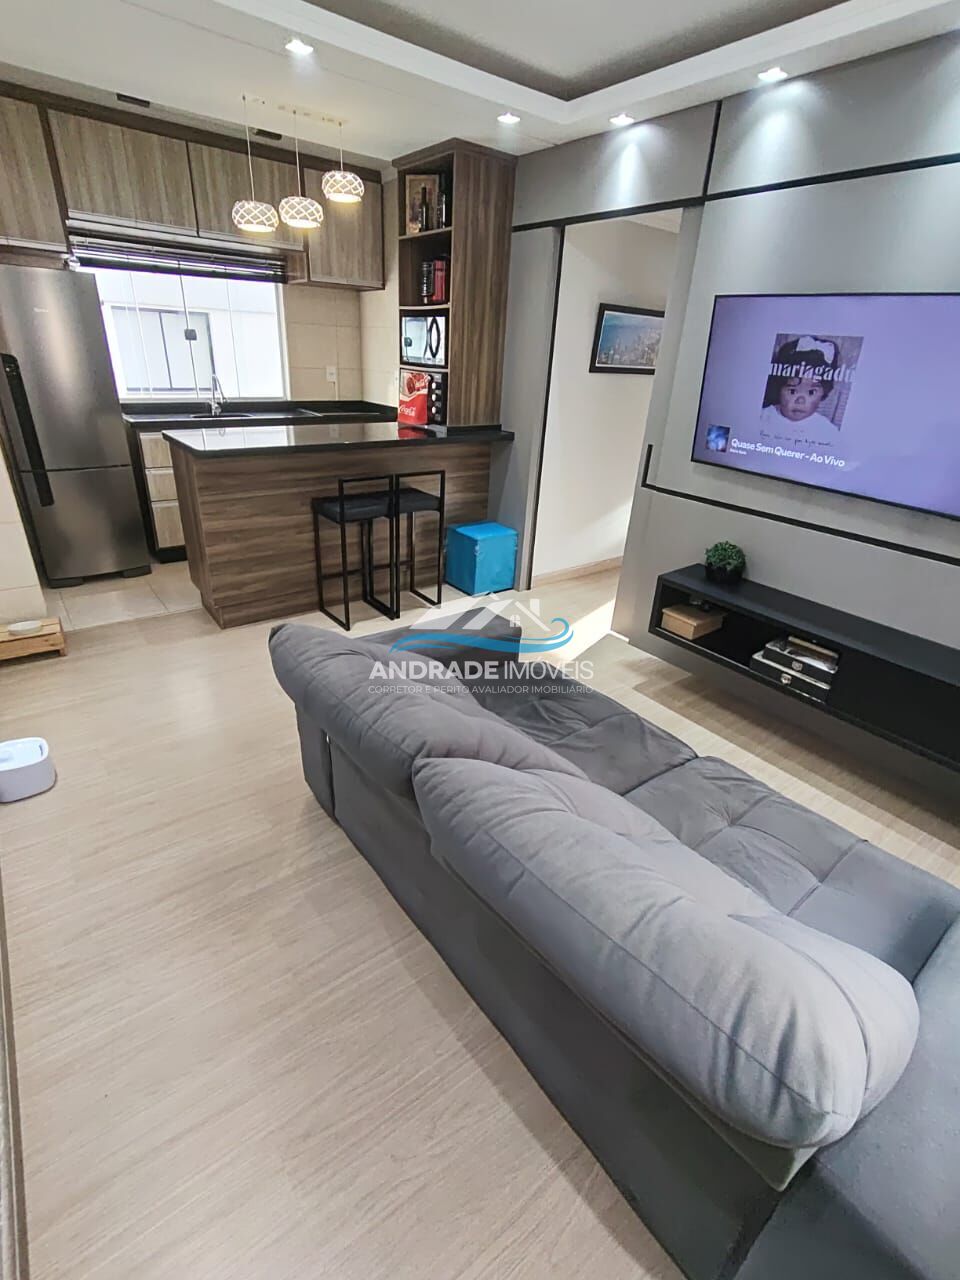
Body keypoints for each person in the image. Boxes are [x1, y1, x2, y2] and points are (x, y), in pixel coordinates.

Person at [761, 335, 840, 428]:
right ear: (779, 388)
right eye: (792, 391)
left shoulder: (825, 428)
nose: (800, 401)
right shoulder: (764, 418)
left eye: (811, 392)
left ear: (823, 393)